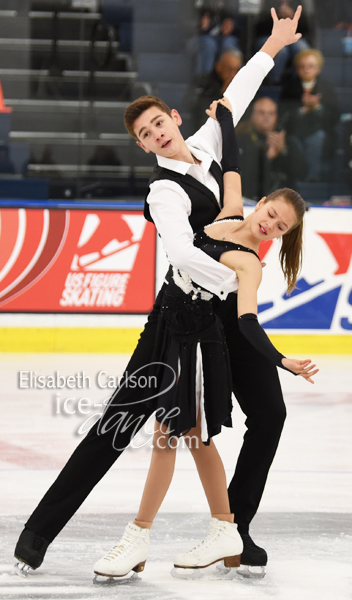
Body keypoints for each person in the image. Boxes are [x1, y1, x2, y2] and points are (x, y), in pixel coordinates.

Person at [14, 6, 304, 578]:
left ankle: (235, 531)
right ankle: (38, 533)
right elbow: (180, 254)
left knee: (264, 414)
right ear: (144, 146)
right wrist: (239, 268)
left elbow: (235, 98)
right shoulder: (163, 193)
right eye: (146, 136)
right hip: (180, 315)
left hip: (224, 313)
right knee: (124, 424)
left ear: (174, 119)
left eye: (159, 124)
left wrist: (271, 47)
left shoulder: (208, 145)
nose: (157, 135)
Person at [92, 98, 318, 580]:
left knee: (181, 435)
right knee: (186, 437)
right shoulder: (230, 209)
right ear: (261, 204)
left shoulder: (249, 264)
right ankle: (220, 528)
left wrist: (282, 361)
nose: (269, 224)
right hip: (179, 328)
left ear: (278, 236)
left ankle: (162, 533)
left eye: (278, 226)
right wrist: (227, 118)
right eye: (271, 213)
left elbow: (249, 322)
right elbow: (231, 161)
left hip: (202, 338)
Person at [280, 48, 340, 181]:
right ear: (297, 68)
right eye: (302, 66)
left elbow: (335, 116)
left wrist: (317, 108)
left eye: (311, 66)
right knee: (292, 143)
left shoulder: (326, 88)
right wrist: (303, 110)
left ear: (318, 68)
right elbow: (283, 113)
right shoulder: (289, 87)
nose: (306, 70)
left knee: (317, 139)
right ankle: (296, 178)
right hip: (294, 131)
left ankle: (313, 178)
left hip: (319, 131)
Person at [235, 96, 306, 200]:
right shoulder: (241, 139)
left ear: (276, 116)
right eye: (261, 113)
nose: (266, 117)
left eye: (271, 113)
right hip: (249, 199)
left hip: (283, 200)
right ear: (253, 115)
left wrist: (284, 152)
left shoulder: (287, 141)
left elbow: (302, 173)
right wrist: (266, 158)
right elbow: (242, 178)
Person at [254, 0, 312, 84]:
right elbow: (258, 26)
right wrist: (277, 17)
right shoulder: (268, 2)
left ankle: (299, 83)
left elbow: (306, 28)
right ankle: (273, 82)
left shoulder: (298, 2)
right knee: (281, 50)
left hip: (293, 37)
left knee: (302, 48)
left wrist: (293, 17)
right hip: (268, 36)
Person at [191, 49, 243, 130]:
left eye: (236, 70)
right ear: (219, 66)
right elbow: (194, 108)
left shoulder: (241, 85)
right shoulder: (204, 82)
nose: (233, 75)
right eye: (229, 69)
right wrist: (221, 95)